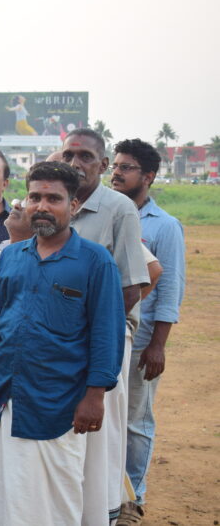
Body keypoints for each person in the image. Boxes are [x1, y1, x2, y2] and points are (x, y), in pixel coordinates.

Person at [0, 161, 125, 524]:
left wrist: (95, 397)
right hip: (4, 394)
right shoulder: (12, 256)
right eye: (35, 197)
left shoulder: (95, 261)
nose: (42, 206)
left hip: (58, 402)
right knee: (2, 494)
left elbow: (107, 336)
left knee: (53, 502)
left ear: (74, 205)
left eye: (54, 198)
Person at [60, 128, 150, 524]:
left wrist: (98, 334)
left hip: (105, 342)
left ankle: (102, 516)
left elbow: (134, 286)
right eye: (68, 155)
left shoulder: (119, 209)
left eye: (84, 156)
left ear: (101, 164)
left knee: (99, 439)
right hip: (59, 344)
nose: (75, 163)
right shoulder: (54, 204)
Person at [110, 139, 185, 525]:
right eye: (116, 165)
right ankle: (107, 492)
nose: (117, 172)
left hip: (140, 342)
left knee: (136, 422)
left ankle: (131, 500)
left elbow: (169, 288)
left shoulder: (165, 226)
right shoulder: (107, 212)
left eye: (127, 167)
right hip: (107, 337)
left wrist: (157, 345)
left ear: (149, 177)